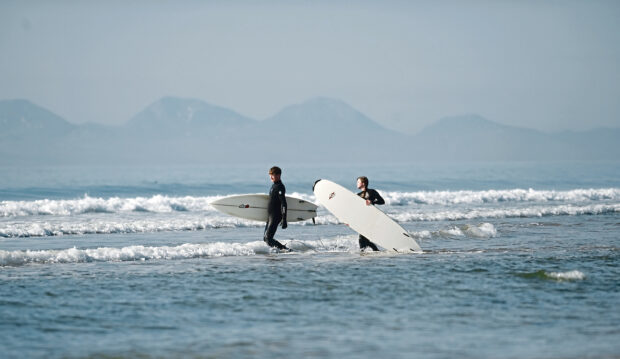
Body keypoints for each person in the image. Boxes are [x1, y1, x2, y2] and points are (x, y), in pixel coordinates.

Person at [264, 166, 290, 251]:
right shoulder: (273, 185)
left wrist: (284, 219)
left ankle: (285, 250)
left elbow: (284, 204)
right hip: (270, 216)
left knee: (268, 238)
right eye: (270, 175)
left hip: (275, 216)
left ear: (278, 175)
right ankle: (281, 250)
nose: (271, 177)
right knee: (266, 239)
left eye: (273, 175)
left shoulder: (280, 187)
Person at [356, 176, 385, 251]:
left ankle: (363, 254)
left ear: (363, 183)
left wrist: (372, 202)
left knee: (362, 239)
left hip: (370, 218)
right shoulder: (358, 195)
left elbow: (382, 201)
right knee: (365, 240)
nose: (357, 183)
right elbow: (355, 209)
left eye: (358, 182)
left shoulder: (372, 192)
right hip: (362, 219)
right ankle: (375, 251)